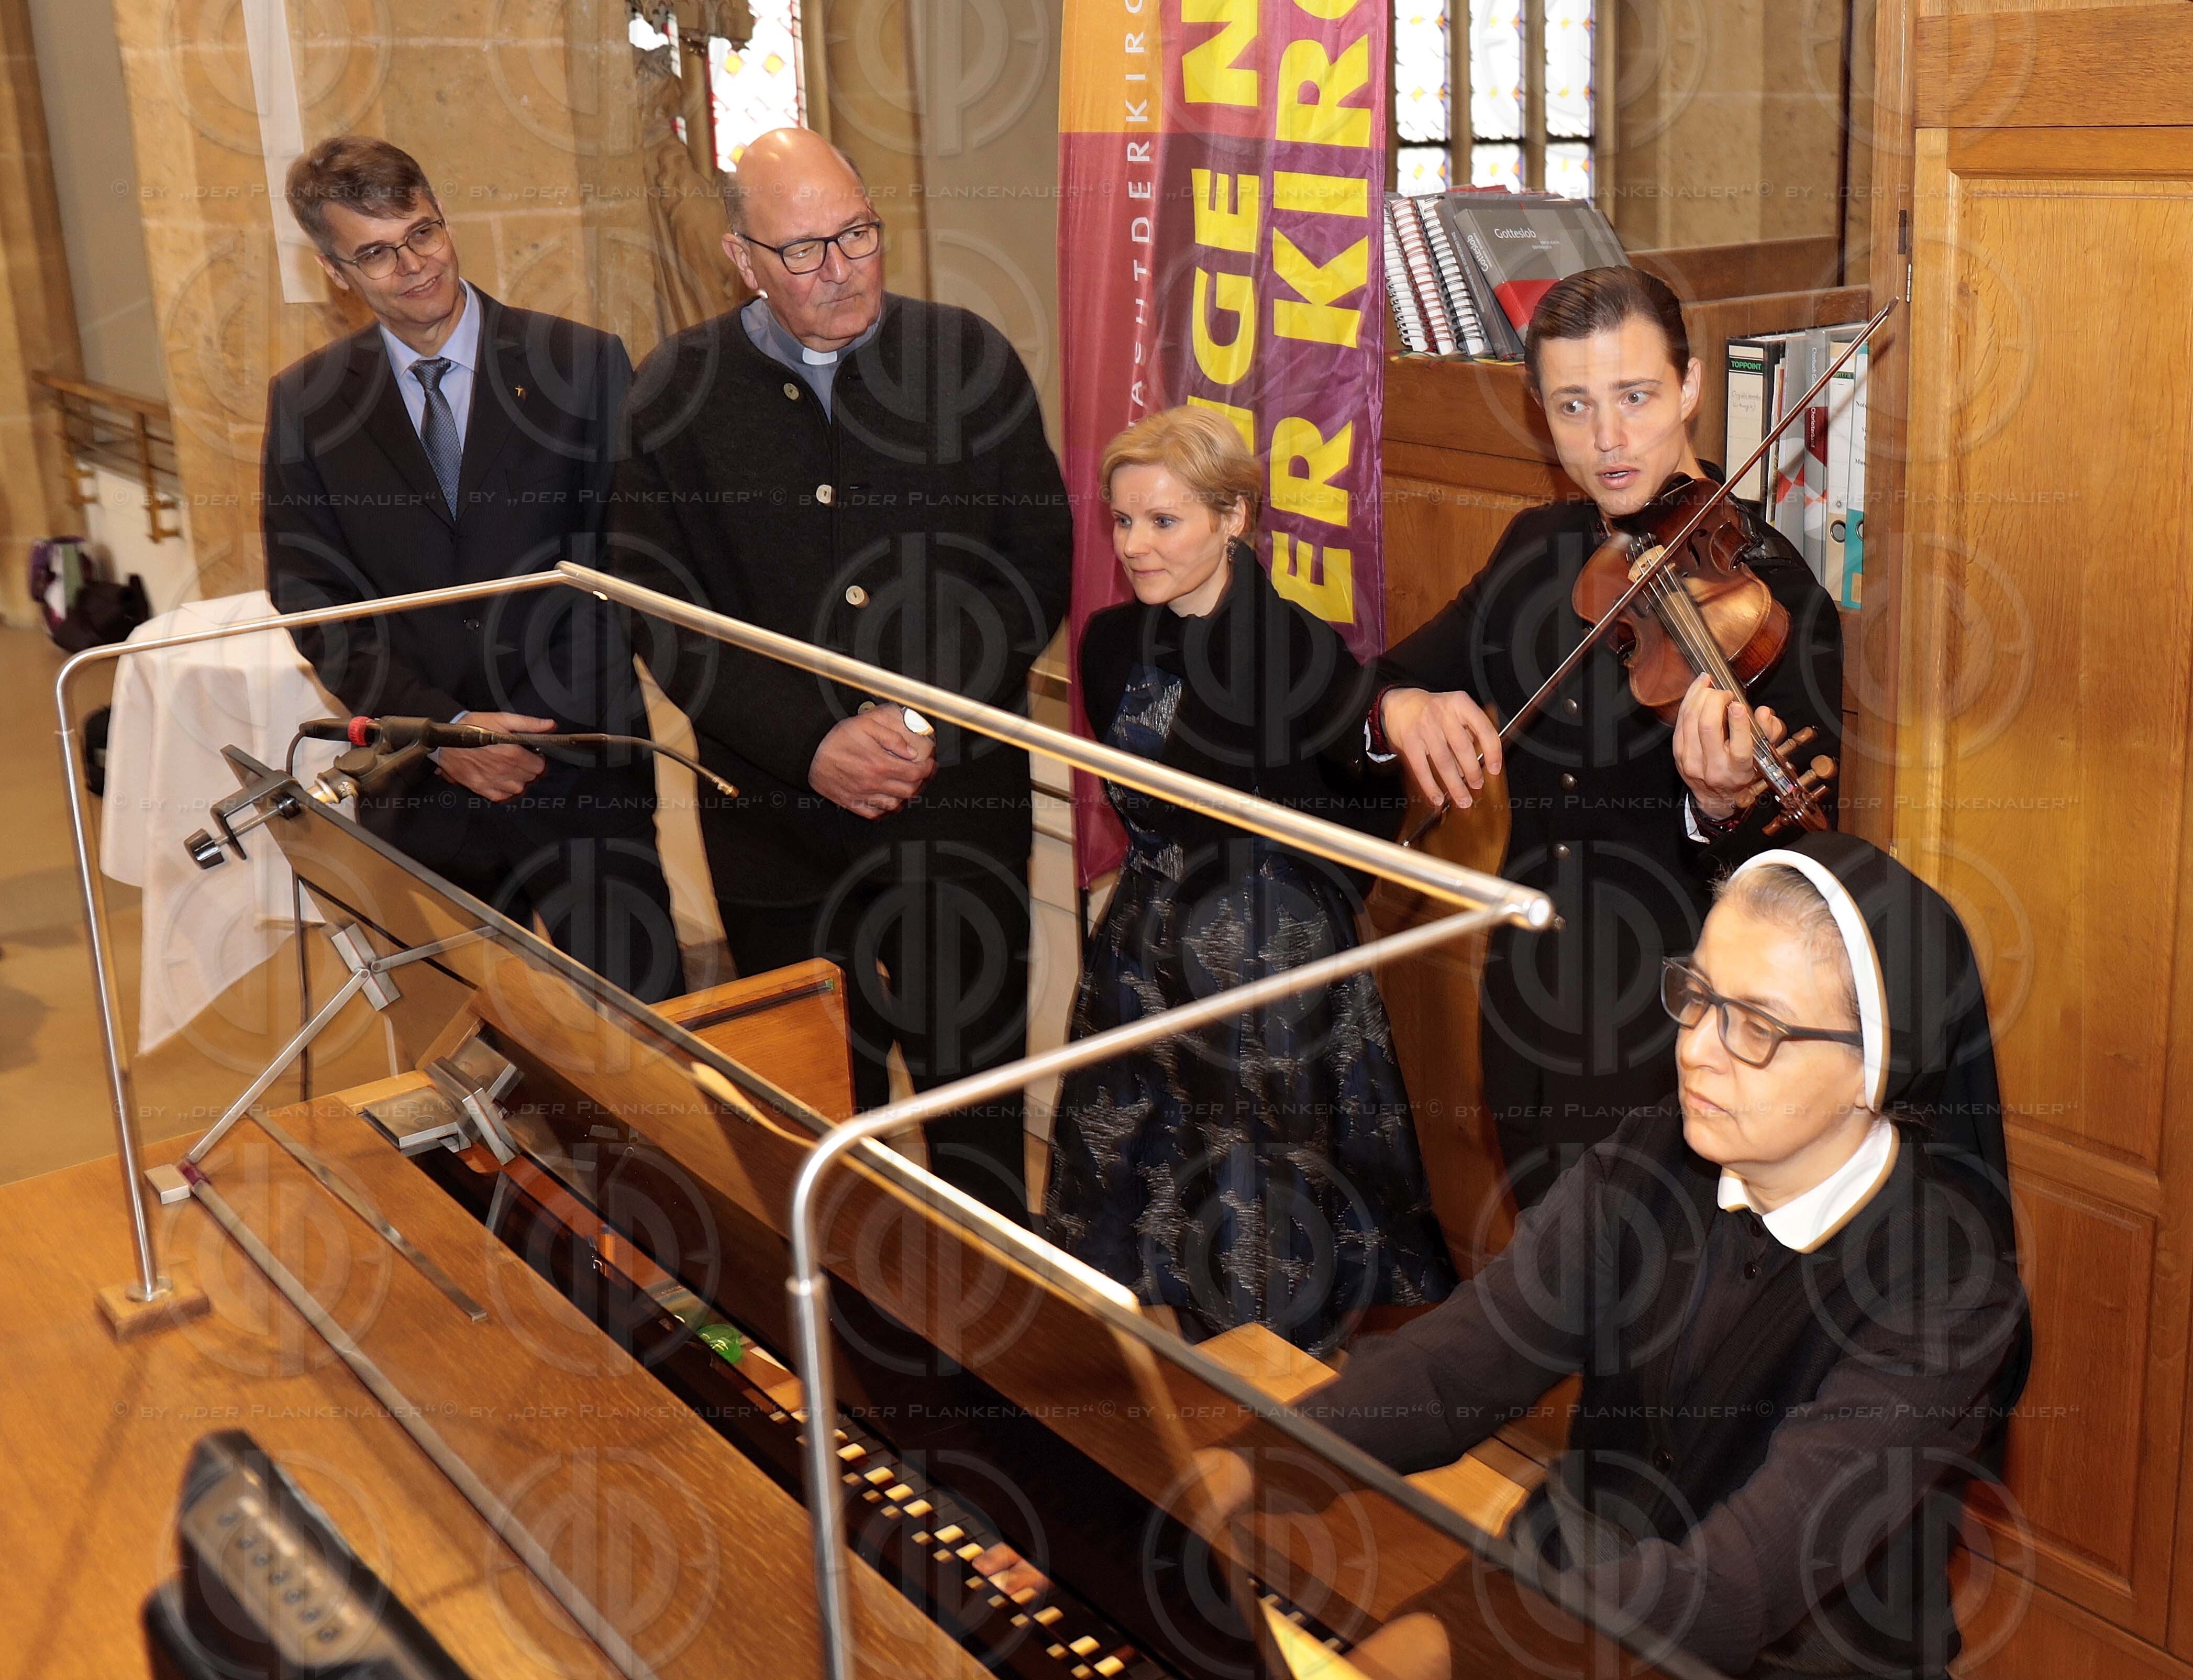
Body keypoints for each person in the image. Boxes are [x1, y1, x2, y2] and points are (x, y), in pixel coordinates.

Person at [1289, 833, 2030, 1677]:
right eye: (1700, 996)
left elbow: (1740, 1583)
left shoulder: (1952, 1292)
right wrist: (1262, 1456)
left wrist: (1448, 1635)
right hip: (1572, 1594)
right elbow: (1462, 1364)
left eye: (1755, 1024)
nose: (1695, 1047)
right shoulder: (1653, 1157)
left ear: (1875, 1070)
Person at [605, 128, 1072, 1221]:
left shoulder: (968, 357)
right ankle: (853, 1370)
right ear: (743, 258)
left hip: (957, 817)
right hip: (776, 830)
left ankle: (1001, 1370)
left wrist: (915, 722)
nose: (843, 270)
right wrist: (808, 742)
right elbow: (661, 611)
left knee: (981, 1132)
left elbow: (1031, 565)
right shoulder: (676, 391)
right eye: (805, 249)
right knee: (814, 1141)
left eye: (858, 235)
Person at [1372, 266, 1845, 1209]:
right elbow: (1382, 684)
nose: (1609, 439)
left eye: (1635, 397)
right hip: (1525, 1006)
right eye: (1574, 406)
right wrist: (1406, 711)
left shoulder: (1774, 598)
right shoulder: (1534, 550)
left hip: (1677, 1037)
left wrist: (1719, 807)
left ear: (1692, 389)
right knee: (1550, 1294)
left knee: (1655, 1330)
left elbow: (1810, 875)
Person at [1044, 407, 1455, 1355]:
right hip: (1147, 941)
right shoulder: (1108, 643)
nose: (1136, 546)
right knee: (1137, 1175)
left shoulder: (1296, 647)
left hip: (1265, 959)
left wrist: (1298, 909)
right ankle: (1178, 1396)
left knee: (1261, 1200)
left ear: (1235, 519)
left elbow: (1368, 802)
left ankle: (1275, 1417)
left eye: (1165, 522)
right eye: (1124, 521)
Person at [263, 136, 679, 1001]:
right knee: (462, 1059)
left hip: (577, 768)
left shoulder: (584, 364)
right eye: (377, 253)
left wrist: (520, 734)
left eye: (423, 233)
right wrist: (446, 733)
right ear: (336, 271)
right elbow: (312, 596)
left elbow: (627, 561)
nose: (413, 266)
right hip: (423, 788)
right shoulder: (307, 402)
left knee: (644, 1049)